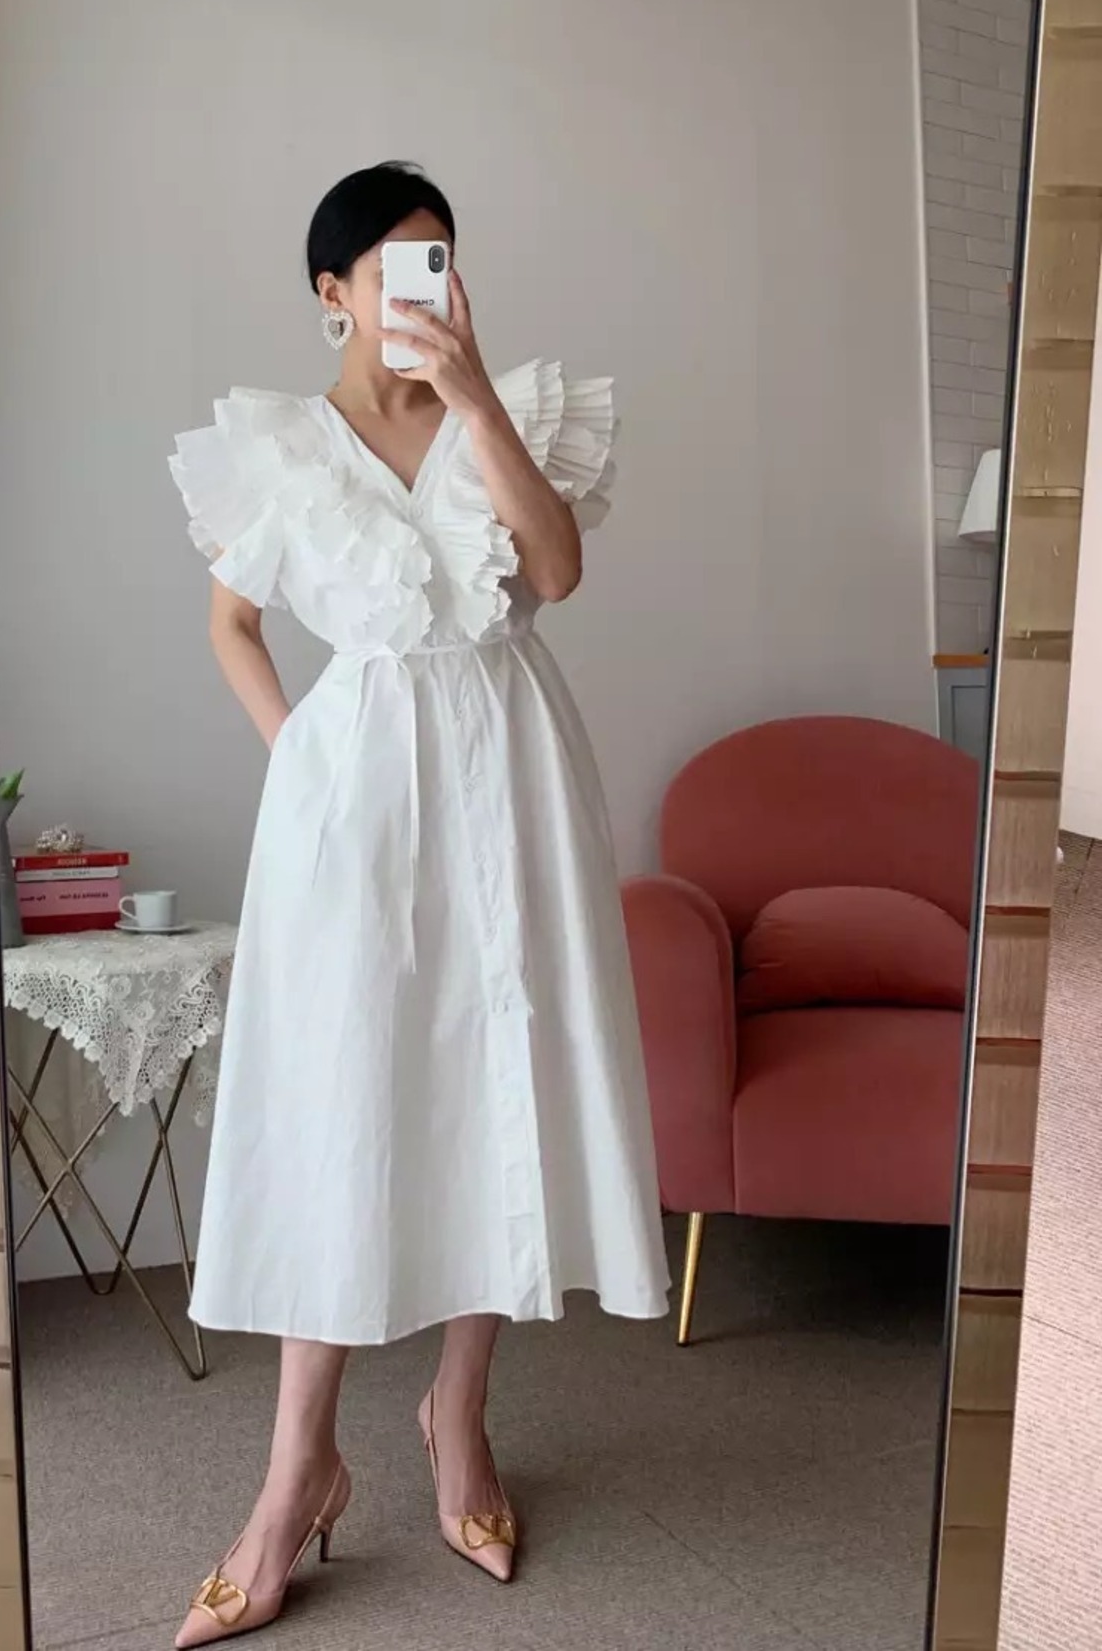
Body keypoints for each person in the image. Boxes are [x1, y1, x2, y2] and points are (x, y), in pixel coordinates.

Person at [169, 162, 669, 1647]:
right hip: (356, 801)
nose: (420, 288)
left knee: (497, 1077)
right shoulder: (278, 446)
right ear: (332, 291)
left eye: (440, 259)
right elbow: (232, 622)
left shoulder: (508, 410)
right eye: (393, 267)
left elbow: (557, 571)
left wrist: (475, 399)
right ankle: (296, 1472)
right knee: (344, 1100)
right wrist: (299, 761)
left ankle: (460, 1411)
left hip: (512, 776)